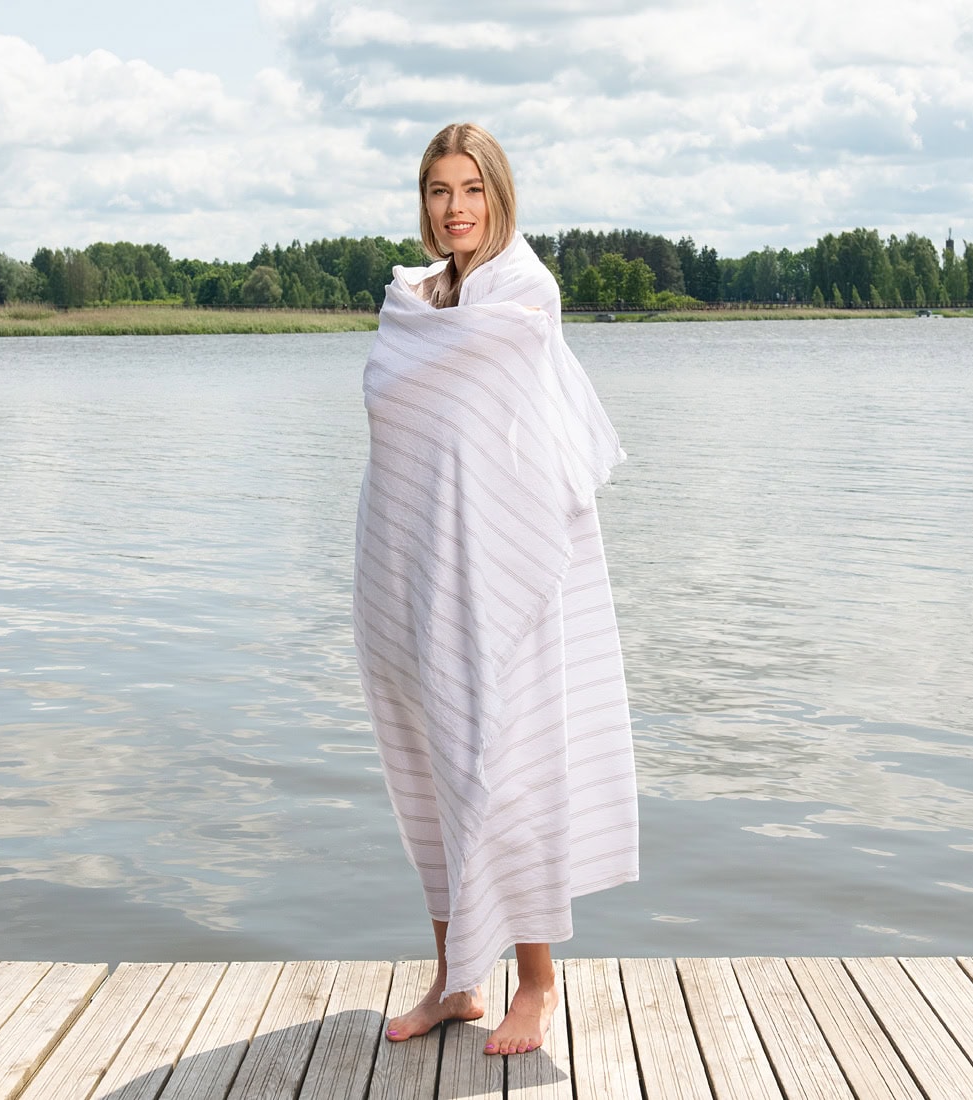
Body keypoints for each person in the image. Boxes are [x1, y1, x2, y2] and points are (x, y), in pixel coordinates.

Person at [353, 122, 638, 1057]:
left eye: (472, 188)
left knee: (506, 769)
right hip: (415, 568)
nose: (456, 207)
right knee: (429, 770)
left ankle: (538, 984)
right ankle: (454, 982)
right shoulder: (416, 301)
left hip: (502, 572)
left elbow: (525, 443)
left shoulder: (523, 294)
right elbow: (408, 436)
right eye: (439, 190)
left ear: (499, 194)